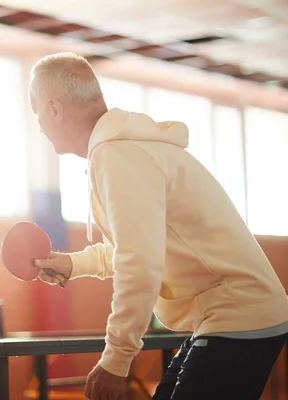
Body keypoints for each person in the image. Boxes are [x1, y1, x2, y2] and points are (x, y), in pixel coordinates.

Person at [28, 52, 288, 400]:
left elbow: (140, 261)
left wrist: (116, 358)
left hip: (236, 313)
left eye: (38, 114)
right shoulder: (124, 149)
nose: (40, 126)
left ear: (55, 108)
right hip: (230, 314)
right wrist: (73, 264)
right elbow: (139, 247)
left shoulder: (116, 155)